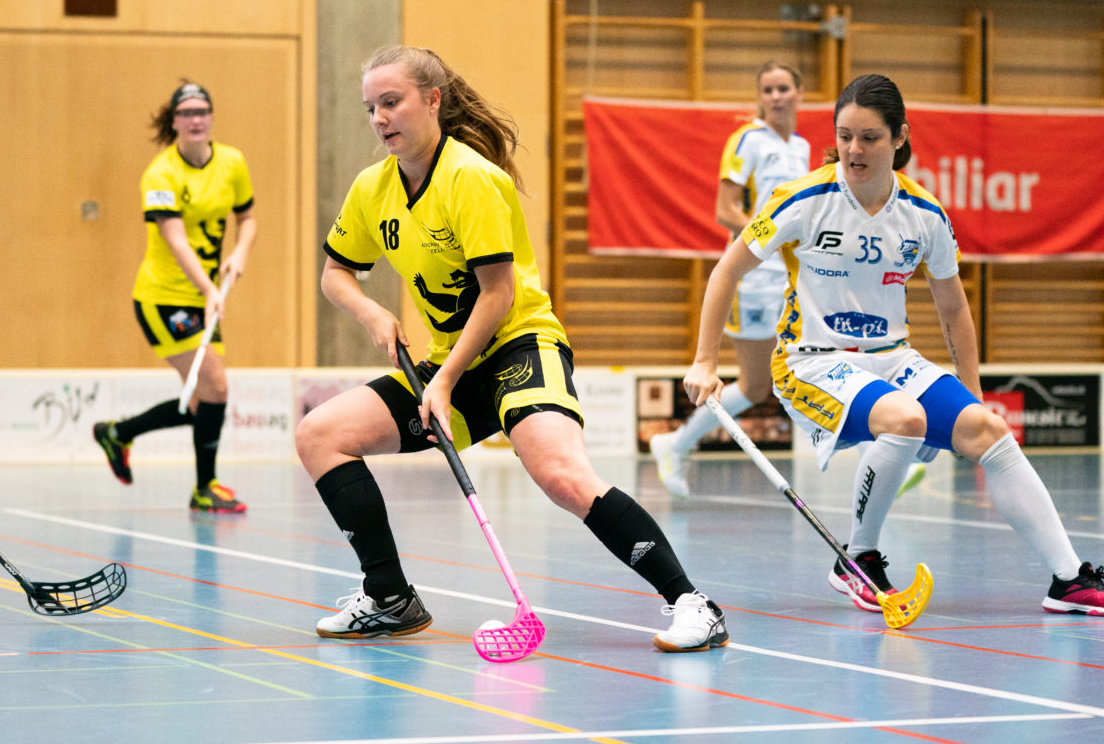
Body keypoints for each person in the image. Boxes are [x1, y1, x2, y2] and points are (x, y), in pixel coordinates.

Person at [295, 45, 729, 652]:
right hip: (452, 358)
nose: (380, 118)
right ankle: (389, 598)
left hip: (519, 345)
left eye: (391, 102)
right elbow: (335, 274)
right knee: (320, 435)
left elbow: (498, 294)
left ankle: (693, 604)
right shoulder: (373, 188)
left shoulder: (471, 178)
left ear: (432, 100)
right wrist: (372, 311)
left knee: (561, 476)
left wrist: (444, 381)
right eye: (371, 107)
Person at [681, 73, 1104, 617]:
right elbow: (727, 271)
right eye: (844, 136)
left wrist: (971, 393)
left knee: (988, 431)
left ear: (899, 137)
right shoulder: (803, 199)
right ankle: (857, 559)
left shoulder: (924, 214)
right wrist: (705, 360)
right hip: (811, 362)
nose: (854, 150)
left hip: (892, 357)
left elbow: (953, 306)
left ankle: (1068, 579)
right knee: (906, 419)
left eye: (869, 137)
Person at [92, 81, 257, 513]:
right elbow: (176, 240)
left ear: (212, 116)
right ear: (174, 121)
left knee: (203, 401)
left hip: (204, 298)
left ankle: (118, 433)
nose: (195, 119)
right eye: (186, 113)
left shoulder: (232, 162)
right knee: (215, 386)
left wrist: (240, 251)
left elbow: (247, 217)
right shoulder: (161, 173)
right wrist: (209, 289)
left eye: (202, 111)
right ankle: (205, 487)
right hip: (163, 298)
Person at [649, 60, 810, 499]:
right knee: (757, 384)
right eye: (768, 89)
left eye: (783, 88)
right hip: (753, 278)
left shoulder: (801, 147)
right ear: (760, 96)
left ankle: (879, 445)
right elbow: (725, 210)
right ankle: (676, 443)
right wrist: (771, 237)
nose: (776, 97)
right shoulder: (747, 140)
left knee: (790, 371)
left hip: (791, 276)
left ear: (799, 93)